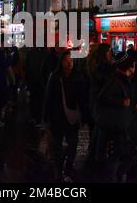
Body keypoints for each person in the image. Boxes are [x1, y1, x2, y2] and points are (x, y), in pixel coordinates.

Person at [94, 52, 137, 183]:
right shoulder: (116, 80)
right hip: (118, 125)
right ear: (129, 66)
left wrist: (133, 104)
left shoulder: (124, 79)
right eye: (133, 65)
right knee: (120, 154)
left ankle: (117, 175)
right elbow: (102, 98)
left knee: (125, 152)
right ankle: (115, 176)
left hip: (123, 123)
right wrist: (121, 103)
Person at [43, 50, 87, 182]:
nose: (70, 63)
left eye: (72, 60)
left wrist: (84, 117)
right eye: (67, 60)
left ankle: (69, 165)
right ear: (61, 62)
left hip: (71, 118)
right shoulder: (55, 77)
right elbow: (48, 98)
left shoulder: (78, 77)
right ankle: (58, 168)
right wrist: (45, 118)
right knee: (57, 144)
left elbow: (82, 99)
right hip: (57, 116)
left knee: (73, 143)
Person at [88, 44, 114, 167]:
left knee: (96, 130)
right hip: (100, 103)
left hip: (94, 102)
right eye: (109, 52)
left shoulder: (94, 65)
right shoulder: (103, 68)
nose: (111, 54)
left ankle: (94, 155)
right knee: (100, 131)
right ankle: (98, 158)